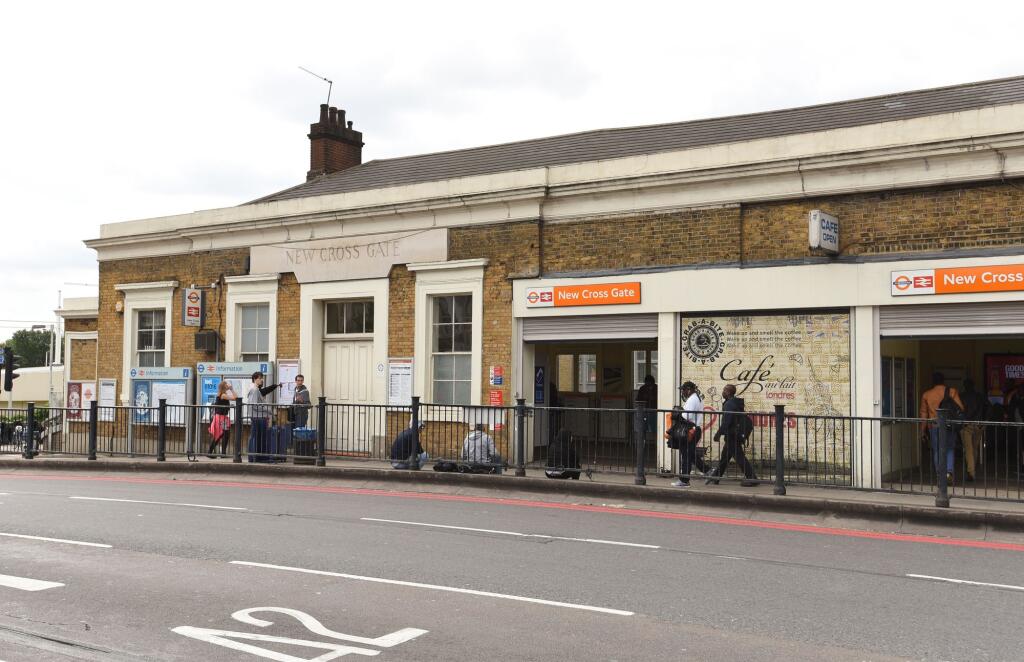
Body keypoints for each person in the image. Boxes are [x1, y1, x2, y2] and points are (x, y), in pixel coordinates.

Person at [706, 384, 758, 486]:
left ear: (729, 392)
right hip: (734, 434)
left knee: (739, 457)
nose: (723, 392)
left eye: (724, 390)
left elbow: (727, 421)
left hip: (733, 435)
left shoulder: (729, 404)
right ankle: (716, 477)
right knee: (725, 457)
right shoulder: (734, 403)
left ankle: (752, 478)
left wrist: (718, 434)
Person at [919, 372, 965, 486]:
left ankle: (940, 475)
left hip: (934, 426)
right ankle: (948, 473)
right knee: (949, 448)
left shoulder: (926, 394)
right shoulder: (952, 391)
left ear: (933, 381)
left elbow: (924, 414)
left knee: (937, 450)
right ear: (943, 381)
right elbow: (961, 408)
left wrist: (922, 431)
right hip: (949, 426)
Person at [670, 381, 711, 487]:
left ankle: (684, 481)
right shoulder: (696, 397)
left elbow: (687, 416)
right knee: (690, 454)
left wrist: (677, 413)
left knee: (686, 456)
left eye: (683, 390)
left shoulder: (692, 399)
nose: (682, 392)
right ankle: (709, 471)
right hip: (693, 430)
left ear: (688, 389)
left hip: (690, 430)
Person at [246, 371, 280, 461]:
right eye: (259, 378)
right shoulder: (255, 390)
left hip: (258, 416)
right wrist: (267, 409)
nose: (262, 380)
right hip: (258, 417)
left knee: (257, 437)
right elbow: (254, 405)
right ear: (254, 379)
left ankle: (257, 457)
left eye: (262, 378)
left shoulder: (255, 389)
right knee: (258, 438)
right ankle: (257, 457)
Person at [959, 378, 987, 482]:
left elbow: (958, 410)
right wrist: (984, 422)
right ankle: (972, 469)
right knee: (974, 448)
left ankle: (971, 472)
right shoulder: (980, 396)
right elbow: (989, 407)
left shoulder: (961, 396)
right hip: (979, 424)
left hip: (966, 425)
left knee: (969, 449)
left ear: (965, 386)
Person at [207, 380, 236, 458]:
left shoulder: (222, 394)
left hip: (223, 418)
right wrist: (232, 389)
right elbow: (235, 398)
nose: (228, 385)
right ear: (224, 386)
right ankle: (210, 452)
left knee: (224, 434)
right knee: (219, 435)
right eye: (227, 384)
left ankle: (221, 453)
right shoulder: (222, 395)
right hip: (220, 418)